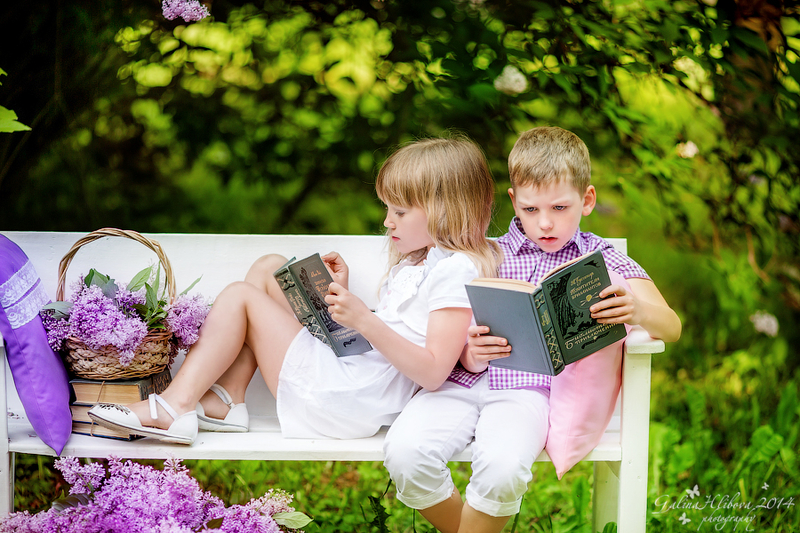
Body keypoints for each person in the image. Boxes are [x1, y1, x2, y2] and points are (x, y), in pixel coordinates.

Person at [88, 135, 502, 445]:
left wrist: (362, 319)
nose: (387, 222)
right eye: (386, 209)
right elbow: (396, 330)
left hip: (347, 398)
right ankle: (227, 399)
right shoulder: (418, 261)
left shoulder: (455, 270)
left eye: (399, 211)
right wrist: (341, 297)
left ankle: (173, 407)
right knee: (269, 269)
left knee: (240, 296)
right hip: (354, 371)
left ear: (447, 210)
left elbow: (432, 371)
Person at [383, 126, 682, 533]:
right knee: (405, 453)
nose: (544, 224)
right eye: (530, 210)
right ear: (513, 202)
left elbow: (673, 326)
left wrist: (638, 309)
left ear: (587, 199)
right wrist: (472, 353)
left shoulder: (603, 259)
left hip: (527, 392)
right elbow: (454, 338)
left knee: (504, 469)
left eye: (560, 208)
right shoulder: (483, 253)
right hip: (461, 384)